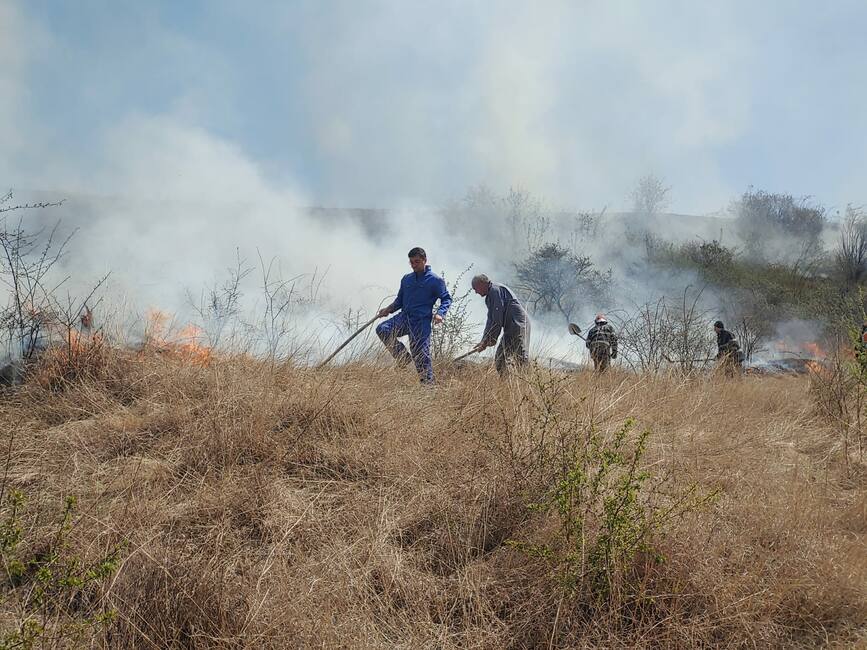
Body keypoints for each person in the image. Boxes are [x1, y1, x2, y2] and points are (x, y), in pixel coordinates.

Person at [376, 247, 452, 384]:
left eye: (417, 262)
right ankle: (403, 358)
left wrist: (441, 313)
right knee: (383, 329)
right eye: (411, 262)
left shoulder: (435, 280)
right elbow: (399, 301)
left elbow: (446, 298)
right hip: (404, 317)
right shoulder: (407, 279)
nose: (414, 265)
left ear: (425, 260)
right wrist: (387, 309)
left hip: (421, 322)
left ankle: (428, 388)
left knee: (421, 355)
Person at [469, 274, 531, 376]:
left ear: (482, 284)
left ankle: (527, 384)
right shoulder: (489, 296)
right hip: (510, 328)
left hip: (518, 325)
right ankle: (507, 384)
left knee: (520, 357)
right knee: (500, 358)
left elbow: (497, 320)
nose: (476, 292)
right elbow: (490, 320)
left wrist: (491, 340)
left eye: (476, 288)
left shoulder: (495, 291)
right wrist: (484, 340)